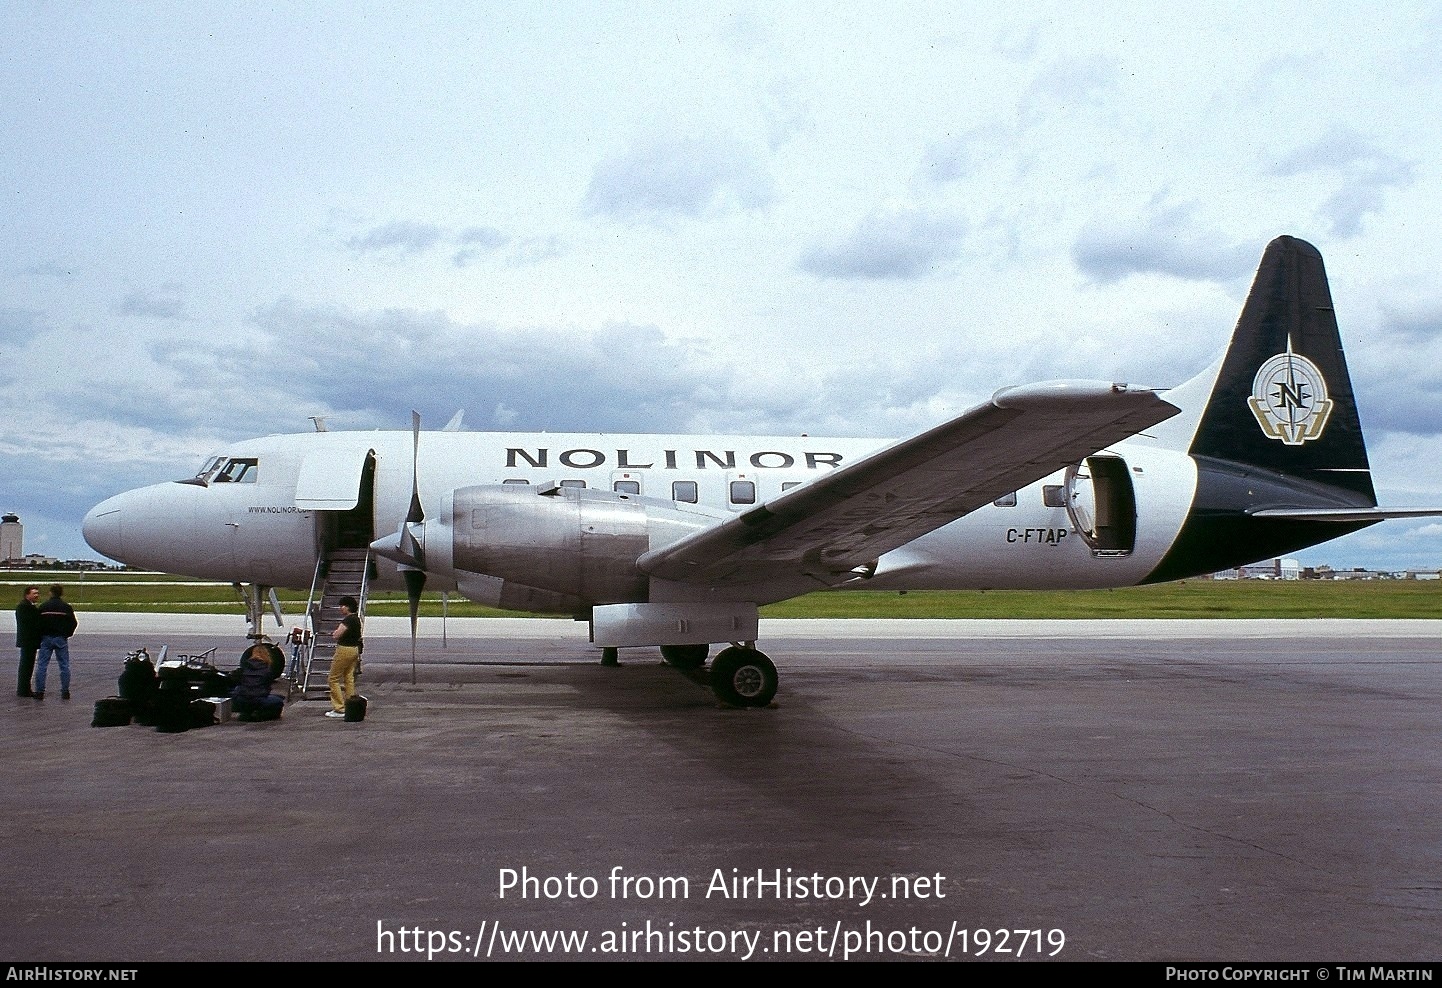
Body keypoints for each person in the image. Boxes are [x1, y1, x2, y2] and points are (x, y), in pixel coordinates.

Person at [34, 585, 77, 701]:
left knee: (42, 665)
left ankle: (39, 692)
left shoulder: (43, 607)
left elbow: (37, 623)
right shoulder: (66, 607)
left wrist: (41, 635)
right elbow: (73, 623)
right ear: (61, 593)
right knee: (64, 665)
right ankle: (65, 691)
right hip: (60, 638)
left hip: (46, 638)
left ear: (50, 593)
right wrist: (66, 634)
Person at [326, 596, 362, 719]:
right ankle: (350, 704)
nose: (340, 608)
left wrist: (334, 633)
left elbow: (337, 634)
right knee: (348, 677)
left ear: (348, 607)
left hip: (344, 650)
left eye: (342, 606)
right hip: (354, 650)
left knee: (333, 678)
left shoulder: (348, 620)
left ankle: (339, 708)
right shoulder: (356, 619)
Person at [231, 642, 284, 721]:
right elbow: (267, 688)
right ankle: (260, 715)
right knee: (279, 701)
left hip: (242, 699)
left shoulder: (243, 668)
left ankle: (247, 713)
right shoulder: (267, 670)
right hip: (258, 699)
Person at [15, 586, 41, 697]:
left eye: (37, 593)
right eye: (34, 593)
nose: (36, 595)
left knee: (27, 665)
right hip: (28, 641)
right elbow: (33, 623)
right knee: (26, 665)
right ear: (27, 595)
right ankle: (23, 690)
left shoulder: (27, 606)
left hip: (28, 641)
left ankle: (25, 688)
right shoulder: (25, 607)